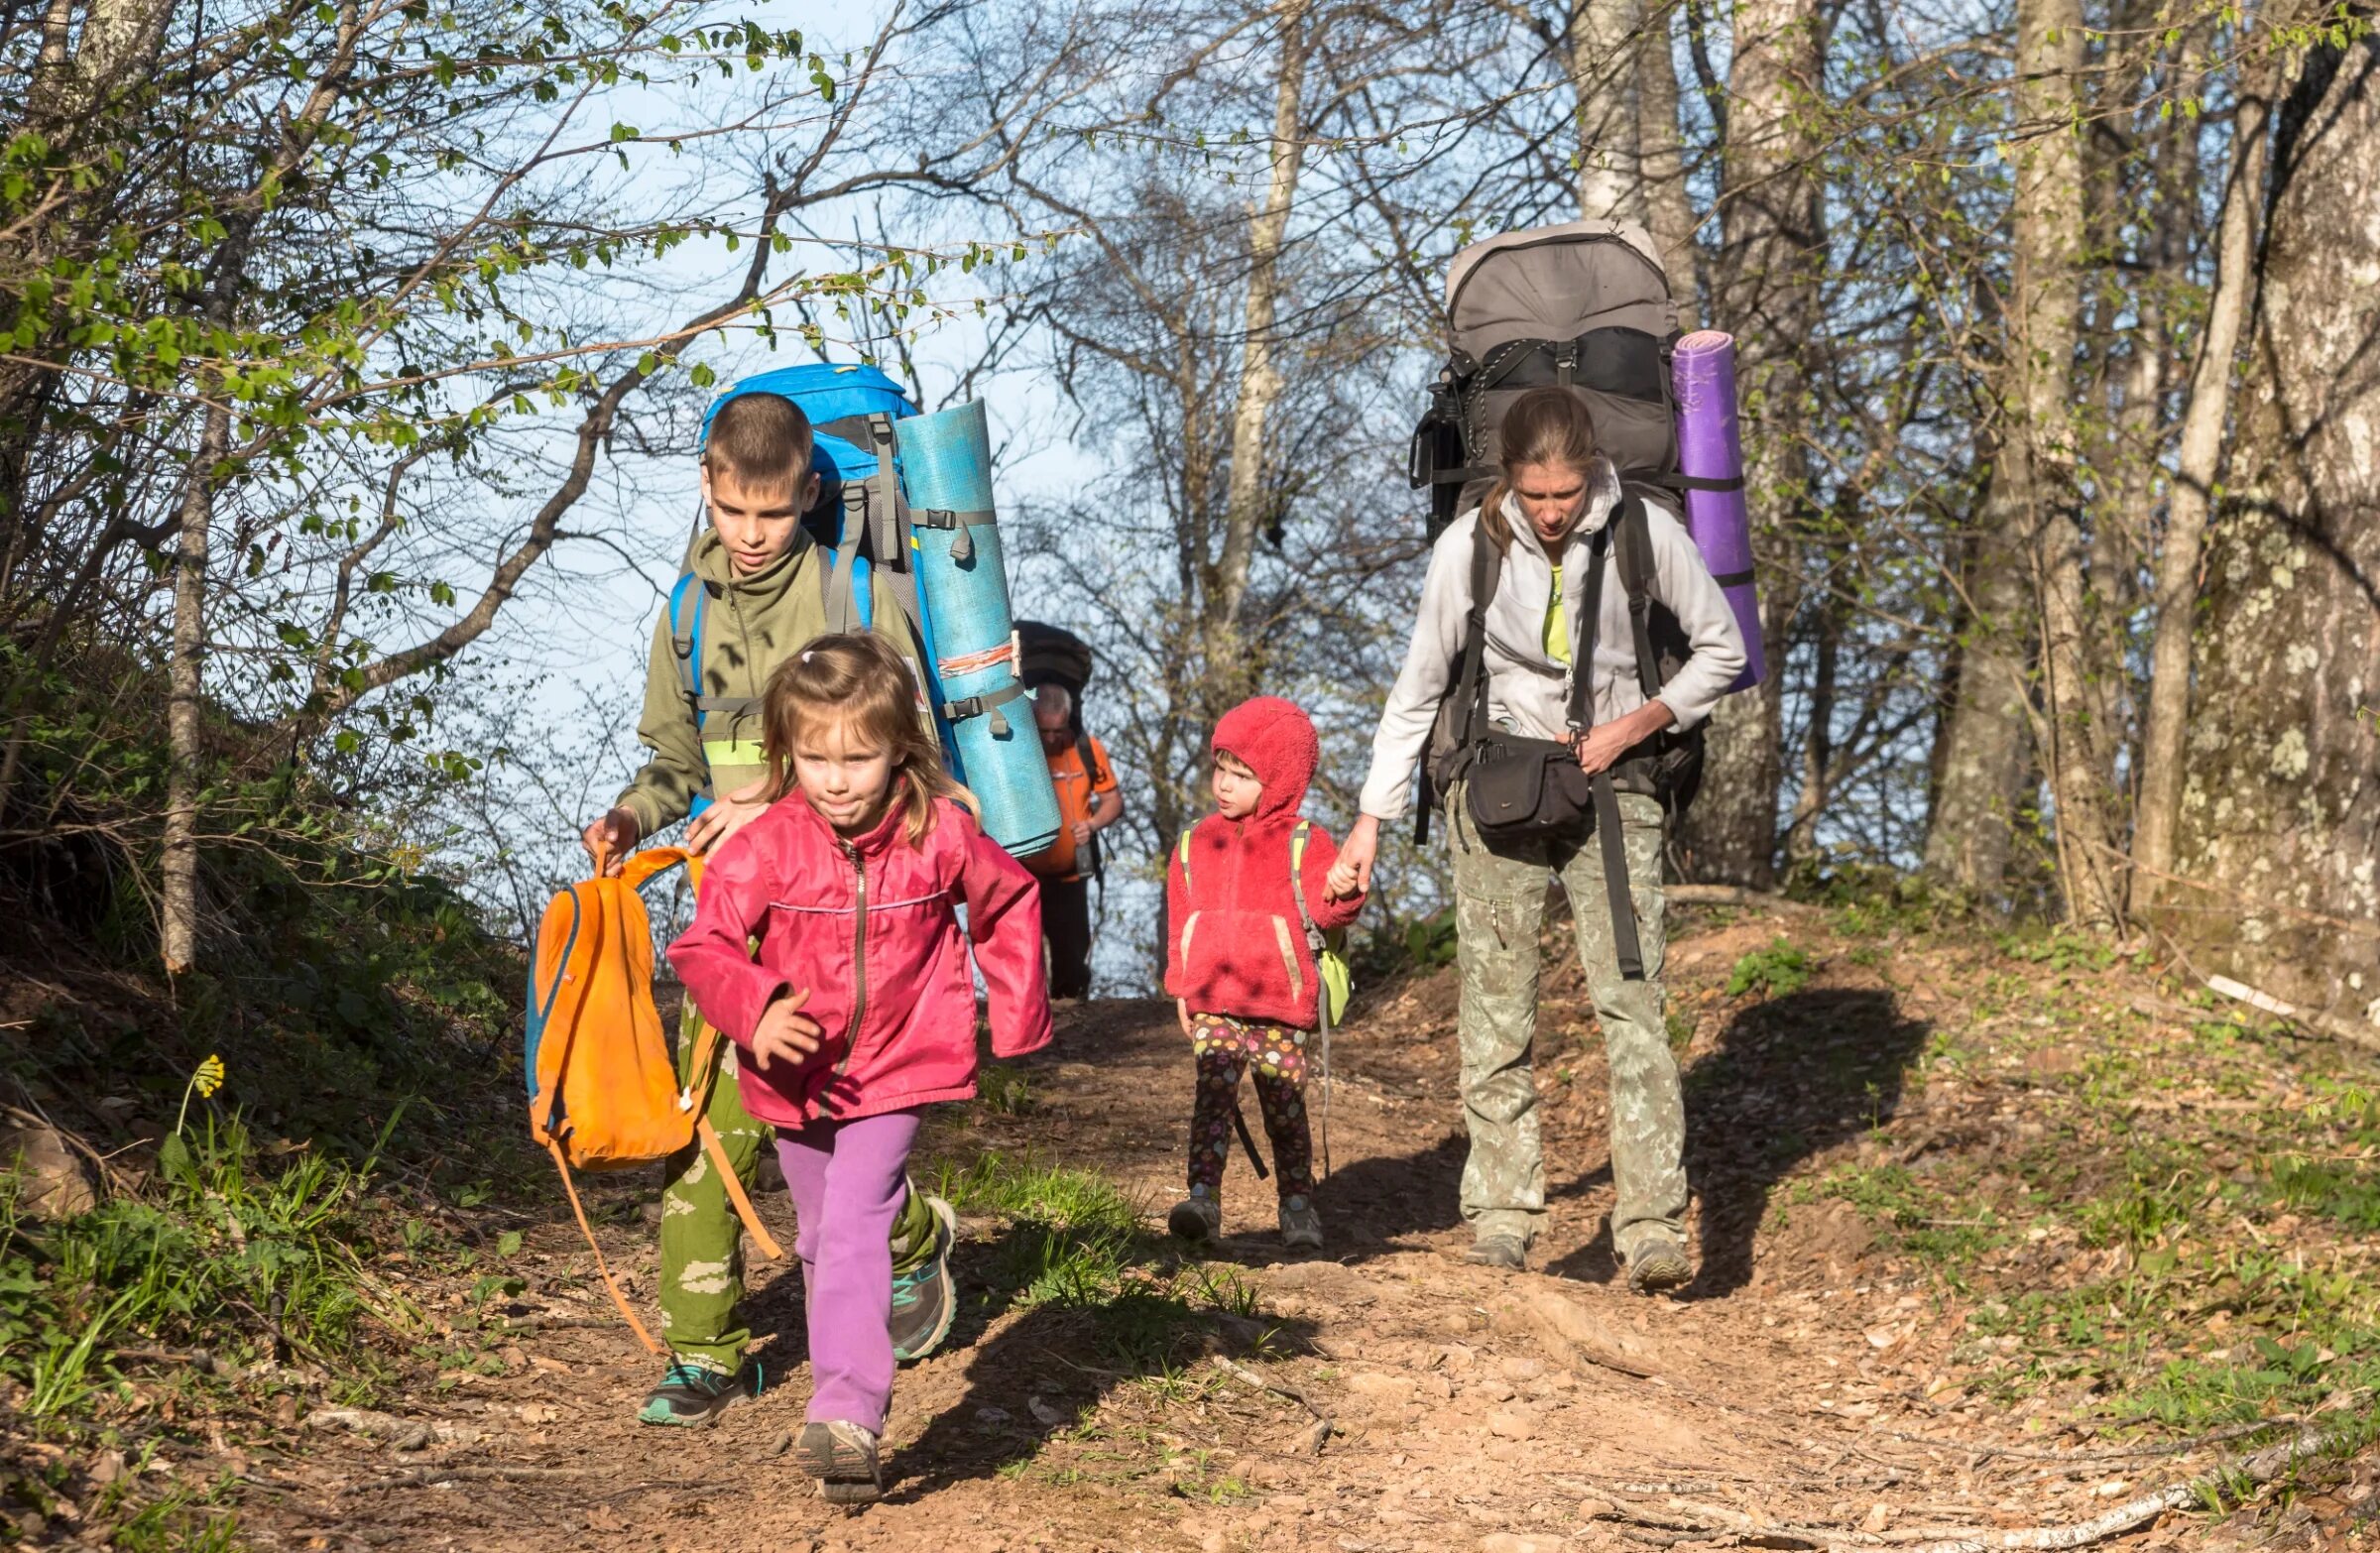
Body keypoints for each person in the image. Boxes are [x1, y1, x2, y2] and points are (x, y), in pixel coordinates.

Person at [577, 391, 951, 1427]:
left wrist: (772, 795)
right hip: (733, 927)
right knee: (709, 1127)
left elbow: (893, 763)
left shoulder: (852, 594)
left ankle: (907, 1242)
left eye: (773, 515)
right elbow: (673, 767)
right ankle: (706, 1351)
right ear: (707, 483)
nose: (751, 536)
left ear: (809, 494)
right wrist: (629, 815)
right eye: (736, 511)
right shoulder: (688, 610)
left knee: (841, 1122)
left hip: (851, 922)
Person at [1327, 386, 1745, 1291]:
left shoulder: (1642, 530)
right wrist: (1371, 820)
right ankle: (1503, 1219)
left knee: (1634, 1010)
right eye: (1535, 495)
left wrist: (1639, 724)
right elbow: (1418, 688)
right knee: (1495, 1011)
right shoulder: (1468, 549)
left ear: (1592, 466)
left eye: (1565, 493)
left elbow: (1723, 649)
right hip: (1498, 789)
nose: (1552, 513)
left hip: (1616, 787)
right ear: (1509, 480)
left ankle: (1651, 1231)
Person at [668, 634, 1051, 1503]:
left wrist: (1018, 1014)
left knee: (851, 1221)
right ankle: (867, 1352)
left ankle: (847, 1415)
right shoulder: (767, 843)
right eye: (814, 759)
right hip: (799, 1076)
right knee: (818, 1235)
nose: (836, 780)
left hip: (905, 1057)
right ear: (786, 753)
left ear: (899, 748)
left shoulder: (938, 831)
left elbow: (1009, 904)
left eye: (859, 758)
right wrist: (755, 1006)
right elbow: (704, 944)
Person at [1162, 696, 1365, 1253]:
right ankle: (1203, 1199)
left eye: (1242, 774)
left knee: (1283, 1106)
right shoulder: (1194, 843)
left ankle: (1297, 1204)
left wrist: (1345, 889)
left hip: (1278, 999)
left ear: (1278, 779)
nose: (1224, 784)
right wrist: (1182, 986)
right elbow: (1182, 919)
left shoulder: (1305, 841)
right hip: (1211, 1000)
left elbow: (1327, 911)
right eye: (1220, 768)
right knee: (1213, 1094)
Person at [1023, 682, 1124, 999]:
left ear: (1069, 719)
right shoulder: (1017, 751)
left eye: (1058, 730)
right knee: (1024, 951)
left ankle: (1072, 1007)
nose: (1052, 738)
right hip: (1024, 874)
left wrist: (1092, 824)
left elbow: (1113, 800)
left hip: (1071, 874)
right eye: (1044, 731)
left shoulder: (1087, 748)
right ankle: (1031, 1013)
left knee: (1072, 950)